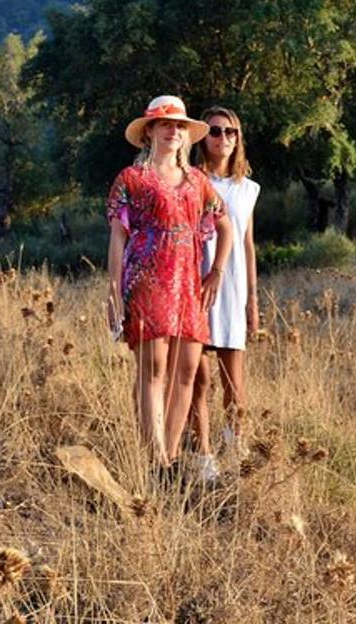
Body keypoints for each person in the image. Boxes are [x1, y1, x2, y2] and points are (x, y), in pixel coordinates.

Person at [106, 95, 233, 482]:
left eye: (179, 125)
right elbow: (118, 237)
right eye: (165, 124)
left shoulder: (197, 181)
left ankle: (171, 458)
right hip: (146, 281)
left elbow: (225, 224)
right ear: (149, 131)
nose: (173, 131)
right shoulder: (131, 179)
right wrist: (113, 291)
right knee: (154, 370)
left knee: (187, 372)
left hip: (188, 285)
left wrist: (217, 271)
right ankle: (156, 459)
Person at [190, 106, 260, 476]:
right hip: (197, 285)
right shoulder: (190, 180)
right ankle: (203, 456)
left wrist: (253, 299)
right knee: (199, 380)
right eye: (215, 131)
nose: (223, 138)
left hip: (232, 288)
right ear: (203, 137)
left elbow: (247, 244)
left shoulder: (247, 189)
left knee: (235, 381)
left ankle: (236, 448)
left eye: (231, 132)